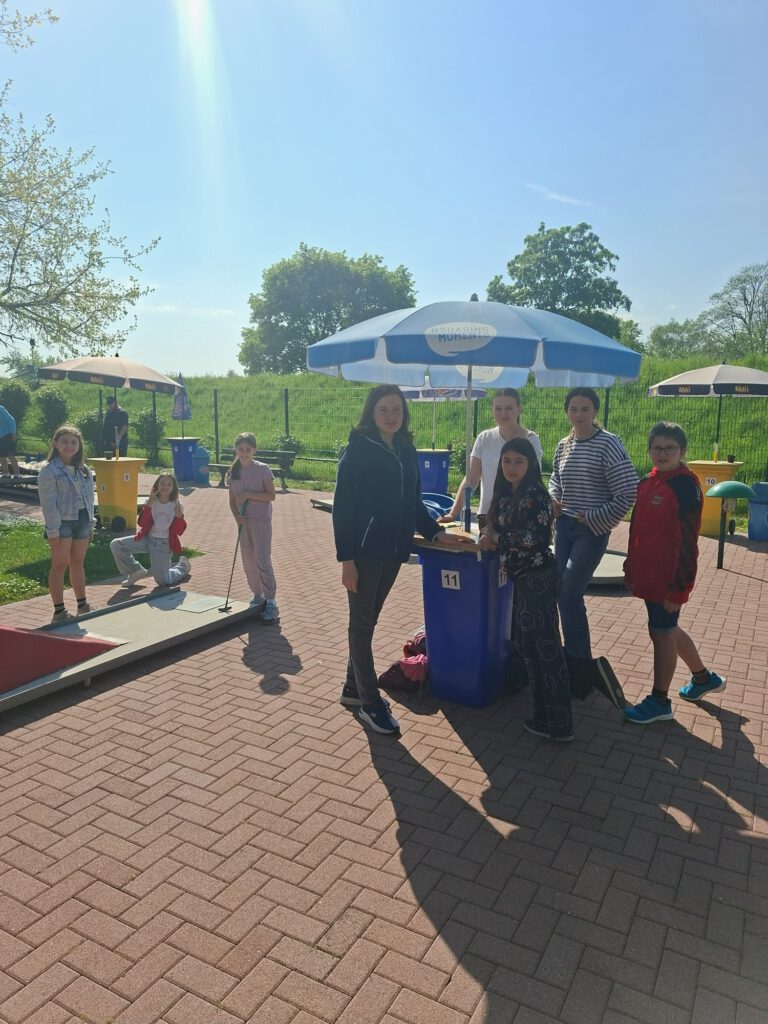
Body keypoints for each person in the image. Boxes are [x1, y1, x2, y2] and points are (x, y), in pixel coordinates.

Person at [333, 384, 472, 735]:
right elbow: (343, 507)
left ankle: (352, 686)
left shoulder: (406, 449)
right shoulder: (358, 450)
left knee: (368, 620)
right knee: (361, 626)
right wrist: (346, 559)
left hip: (394, 551)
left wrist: (436, 533)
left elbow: (414, 503)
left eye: (396, 409)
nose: (390, 415)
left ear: (404, 413)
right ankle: (369, 702)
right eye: (383, 409)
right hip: (364, 554)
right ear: (371, 412)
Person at [623, 422, 725, 724]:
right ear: (649, 450)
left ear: (682, 451)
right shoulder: (648, 480)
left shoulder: (684, 487)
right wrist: (630, 566)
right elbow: (636, 529)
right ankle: (703, 678)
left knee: (661, 632)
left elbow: (687, 543)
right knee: (667, 628)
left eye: (670, 448)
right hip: (648, 575)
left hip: (668, 580)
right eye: (657, 447)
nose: (663, 453)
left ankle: (659, 701)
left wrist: (678, 589)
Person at [548, 387, 638, 706]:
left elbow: (628, 491)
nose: (578, 414)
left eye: (585, 408)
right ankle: (568, 658)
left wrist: (595, 518)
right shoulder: (564, 444)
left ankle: (580, 665)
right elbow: (555, 479)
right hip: (565, 528)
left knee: (569, 595)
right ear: (567, 411)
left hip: (590, 531)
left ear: (595, 411)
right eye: (573, 408)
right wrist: (554, 499)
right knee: (560, 591)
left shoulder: (608, 444)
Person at [479, 438, 573, 741]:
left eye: (518, 461)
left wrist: (497, 539)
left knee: (546, 650)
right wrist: (488, 532)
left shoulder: (536, 494)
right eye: (506, 461)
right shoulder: (507, 493)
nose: (511, 467)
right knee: (532, 649)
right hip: (522, 579)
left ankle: (559, 723)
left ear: (531, 463)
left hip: (539, 578)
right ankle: (543, 715)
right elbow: (497, 525)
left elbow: (535, 539)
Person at [439, 389, 543, 530]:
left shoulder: (531, 439)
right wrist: (453, 513)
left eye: (509, 408)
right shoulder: (484, 438)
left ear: (519, 409)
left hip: (520, 516)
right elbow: (471, 478)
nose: (503, 413)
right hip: (487, 516)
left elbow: (534, 480)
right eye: (498, 408)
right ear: (492, 411)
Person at [37, 425, 96, 623]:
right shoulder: (49, 471)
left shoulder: (84, 470)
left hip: (82, 520)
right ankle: (59, 611)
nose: (69, 446)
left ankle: (82, 605)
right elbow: (48, 504)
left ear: (79, 446)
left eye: (73, 442)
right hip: (61, 523)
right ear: (56, 444)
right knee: (60, 564)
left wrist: (91, 524)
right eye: (64, 442)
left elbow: (89, 498)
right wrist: (52, 531)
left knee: (77, 563)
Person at [227, 432, 279, 623]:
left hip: (260, 520)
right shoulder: (233, 472)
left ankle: (271, 600)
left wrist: (248, 494)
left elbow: (271, 495)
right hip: (244, 522)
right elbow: (232, 500)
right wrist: (236, 516)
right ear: (236, 450)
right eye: (240, 449)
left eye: (248, 449)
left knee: (262, 558)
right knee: (248, 559)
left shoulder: (262, 469)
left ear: (254, 450)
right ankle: (258, 595)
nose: (244, 453)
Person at [110, 472, 191, 588]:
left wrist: (179, 517)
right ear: (157, 485)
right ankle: (135, 571)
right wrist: (148, 506)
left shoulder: (177, 505)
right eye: (162, 483)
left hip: (163, 544)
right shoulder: (151, 501)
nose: (165, 486)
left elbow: (179, 531)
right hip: (147, 538)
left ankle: (183, 567)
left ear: (173, 488)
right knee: (116, 545)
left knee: (163, 581)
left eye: (169, 484)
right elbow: (142, 523)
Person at [0, 403, 21, 479]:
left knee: (11, 455)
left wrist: (13, 433)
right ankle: (6, 474)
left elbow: (11, 420)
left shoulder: (0, 409)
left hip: (8, 435)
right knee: (1, 456)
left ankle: (17, 475)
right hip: (0, 437)